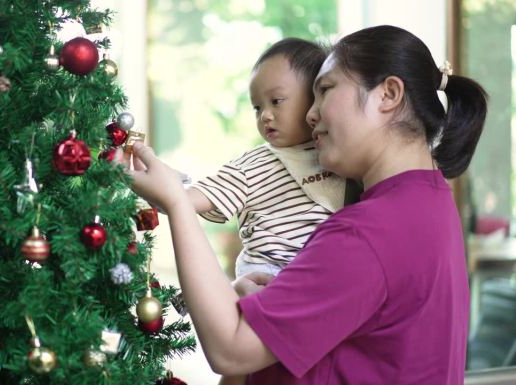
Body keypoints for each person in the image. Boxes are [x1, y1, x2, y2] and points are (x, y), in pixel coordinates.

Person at [121, 24, 487, 385]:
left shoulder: (366, 232)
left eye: (325, 89)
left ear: (388, 94)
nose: (311, 114)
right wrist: (264, 306)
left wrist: (177, 203)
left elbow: (230, 350)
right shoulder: (431, 201)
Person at [186, 38, 349, 280]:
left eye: (276, 101)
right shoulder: (253, 165)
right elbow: (194, 198)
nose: (265, 116)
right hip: (267, 274)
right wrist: (164, 185)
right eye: (257, 107)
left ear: (314, 99)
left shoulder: (341, 155)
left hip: (322, 278)